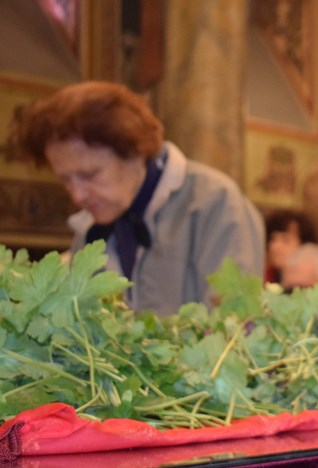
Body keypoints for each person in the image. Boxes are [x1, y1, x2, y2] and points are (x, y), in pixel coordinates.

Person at [9, 81, 265, 316]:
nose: (77, 195)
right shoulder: (89, 227)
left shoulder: (215, 203)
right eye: (65, 179)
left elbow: (234, 325)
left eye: (89, 175)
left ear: (135, 151)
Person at [264, 209, 318, 284]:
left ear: (305, 245)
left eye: (286, 240)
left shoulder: (314, 282)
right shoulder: (263, 277)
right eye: (272, 239)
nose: (275, 246)